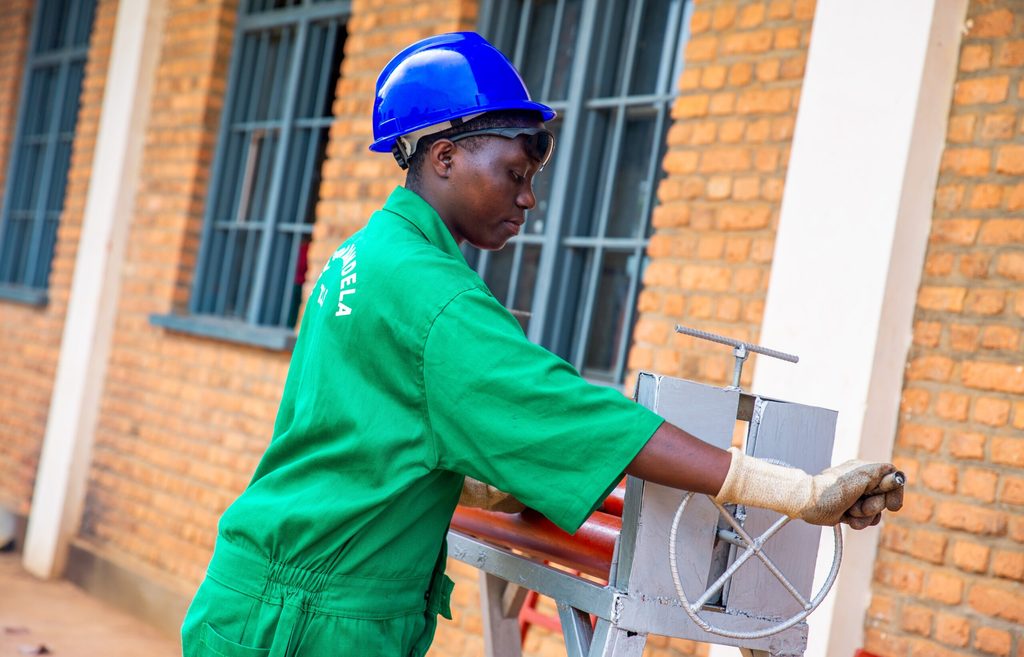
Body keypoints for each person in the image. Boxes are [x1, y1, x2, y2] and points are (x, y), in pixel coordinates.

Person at [180, 32, 903, 657]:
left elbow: (355, 421)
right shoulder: (434, 297)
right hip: (310, 621)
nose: (529, 199)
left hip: (275, 591)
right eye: (515, 174)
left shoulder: (360, 258)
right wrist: (792, 490)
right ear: (444, 156)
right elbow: (567, 413)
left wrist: (459, 467)